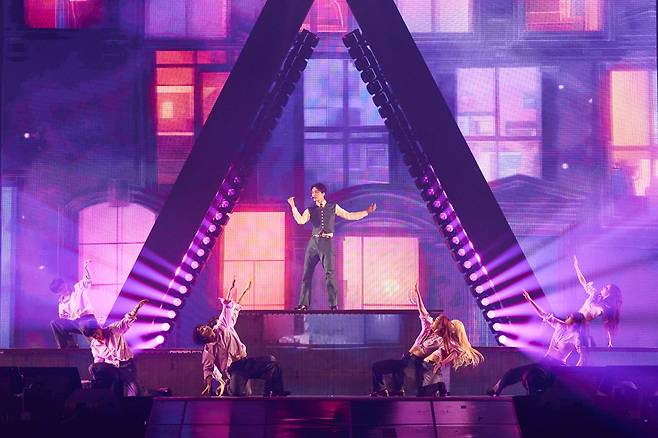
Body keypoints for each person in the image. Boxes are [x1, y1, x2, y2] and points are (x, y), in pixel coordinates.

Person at [288, 183, 376, 310]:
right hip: (313, 242)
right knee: (306, 274)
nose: (313, 195)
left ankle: (333, 305)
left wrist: (367, 212)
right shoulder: (310, 210)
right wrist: (293, 207)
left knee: (330, 273)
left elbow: (349, 215)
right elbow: (301, 221)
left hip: (327, 242)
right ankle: (303, 304)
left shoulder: (333, 207)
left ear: (323, 193)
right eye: (312, 192)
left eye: (316, 192)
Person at [194, 282, 285, 397]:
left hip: (244, 362)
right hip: (234, 369)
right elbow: (208, 368)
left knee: (272, 363)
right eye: (201, 330)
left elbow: (228, 311)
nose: (204, 328)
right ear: (203, 338)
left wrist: (229, 300)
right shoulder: (208, 349)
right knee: (240, 393)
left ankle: (273, 393)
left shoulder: (222, 327)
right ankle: (229, 387)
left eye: (203, 326)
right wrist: (209, 384)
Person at [488, 291, 585, 396]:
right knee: (513, 373)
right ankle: (495, 391)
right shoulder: (560, 325)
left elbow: (583, 356)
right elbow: (543, 314)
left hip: (558, 367)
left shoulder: (576, 337)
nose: (567, 318)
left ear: (575, 323)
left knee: (539, 383)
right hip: (545, 362)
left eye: (570, 317)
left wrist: (575, 370)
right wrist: (530, 300)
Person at [370, 284, 446, 397]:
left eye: (438, 320)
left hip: (418, 363)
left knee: (419, 389)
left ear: (441, 326)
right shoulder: (428, 326)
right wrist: (418, 295)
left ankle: (438, 387)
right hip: (408, 359)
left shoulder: (442, 340)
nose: (435, 320)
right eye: (436, 319)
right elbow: (423, 312)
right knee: (383, 368)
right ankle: (393, 390)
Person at [82, 299, 148, 397]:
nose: (97, 337)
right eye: (94, 336)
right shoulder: (95, 345)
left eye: (97, 333)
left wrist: (136, 309)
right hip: (112, 369)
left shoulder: (114, 330)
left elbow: (126, 322)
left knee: (136, 393)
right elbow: (98, 362)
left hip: (127, 366)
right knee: (93, 367)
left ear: (99, 328)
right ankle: (103, 388)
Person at [423, 319, 484, 396]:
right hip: (430, 363)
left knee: (424, 391)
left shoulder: (453, 343)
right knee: (428, 391)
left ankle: (440, 387)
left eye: (452, 324)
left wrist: (441, 363)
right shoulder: (448, 339)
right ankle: (440, 388)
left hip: (431, 364)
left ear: (455, 330)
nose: (449, 325)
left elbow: (454, 354)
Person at [573, 256, 622, 347]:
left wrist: (610, 341)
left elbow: (607, 323)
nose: (603, 287)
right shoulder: (595, 293)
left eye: (606, 288)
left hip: (580, 328)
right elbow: (583, 282)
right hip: (574, 322)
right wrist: (576, 267)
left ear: (609, 294)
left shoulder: (605, 307)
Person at [50, 259, 96, 349]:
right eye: (61, 289)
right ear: (58, 293)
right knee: (55, 323)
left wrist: (86, 268)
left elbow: (88, 280)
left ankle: (96, 345)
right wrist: (66, 318)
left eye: (64, 286)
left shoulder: (78, 288)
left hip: (86, 319)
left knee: (83, 323)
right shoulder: (61, 303)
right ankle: (68, 346)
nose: (65, 289)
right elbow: (63, 318)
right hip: (74, 323)